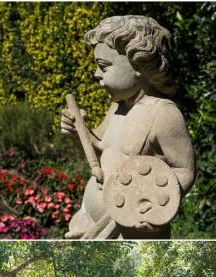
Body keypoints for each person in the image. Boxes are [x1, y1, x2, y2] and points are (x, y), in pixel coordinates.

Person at [61, 15, 195, 239]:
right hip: (94, 223)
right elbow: (100, 152)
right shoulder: (117, 109)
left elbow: (185, 170)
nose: (96, 74)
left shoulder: (163, 114)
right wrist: (79, 132)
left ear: (139, 65)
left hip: (132, 230)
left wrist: (147, 206)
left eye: (104, 67)